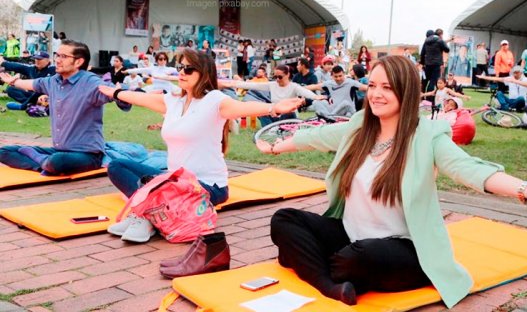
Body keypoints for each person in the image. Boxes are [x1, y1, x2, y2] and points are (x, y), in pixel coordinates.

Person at [255, 55, 527, 307]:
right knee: (284, 220)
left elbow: (469, 169)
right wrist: (275, 147)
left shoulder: (427, 135)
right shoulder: (359, 126)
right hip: (351, 233)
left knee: (355, 259)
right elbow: (319, 135)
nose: (377, 94)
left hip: (402, 247)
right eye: (373, 85)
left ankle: (308, 263)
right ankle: (330, 286)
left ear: (406, 91)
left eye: (388, 87)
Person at [98, 48, 303, 243]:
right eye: (180, 67)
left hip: (208, 186)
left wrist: (274, 107)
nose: (182, 73)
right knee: (118, 166)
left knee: (163, 184)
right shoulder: (173, 101)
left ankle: (146, 215)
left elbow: (242, 107)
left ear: (203, 73)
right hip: (175, 181)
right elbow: (140, 97)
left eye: (188, 69)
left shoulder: (214, 100)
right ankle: (150, 215)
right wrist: (115, 93)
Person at [0, 40, 128, 175]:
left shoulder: (91, 82)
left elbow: (116, 93)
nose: (58, 60)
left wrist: (120, 93)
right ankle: (44, 164)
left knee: (58, 161)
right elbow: (32, 84)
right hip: (59, 151)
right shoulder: (54, 80)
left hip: (87, 154)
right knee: (5, 152)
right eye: (57, 55)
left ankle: (46, 163)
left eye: (64, 57)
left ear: (78, 62)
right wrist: (14, 81)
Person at [220, 64, 325, 126]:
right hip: (275, 114)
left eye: (280, 77)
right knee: (262, 111)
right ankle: (270, 130)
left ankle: (280, 129)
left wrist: (316, 97)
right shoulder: (272, 85)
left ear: (287, 75)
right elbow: (252, 85)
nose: (277, 79)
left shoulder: (294, 86)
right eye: (275, 77)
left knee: (287, 111)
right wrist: (233, 83)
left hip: (288, 116)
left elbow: (304, 92)